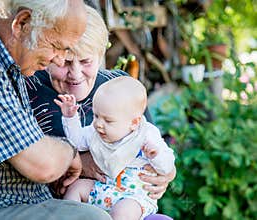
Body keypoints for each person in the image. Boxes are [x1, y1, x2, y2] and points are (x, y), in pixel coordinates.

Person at [0, 0, 113, 219]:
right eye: (56, 46)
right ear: (22, 23)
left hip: (21, 200)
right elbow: (42, 164)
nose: (57, 60)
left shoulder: (6, 54)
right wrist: (71, 154)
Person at [26, 4, 176, 199]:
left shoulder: (119, 86)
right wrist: (80, 162)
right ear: (52, 53)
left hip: (122, 199)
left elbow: (152, 141)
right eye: (66, 62)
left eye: (86, 61)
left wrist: (167, 174)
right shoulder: (30, 86)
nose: (75, 74)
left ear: (100, 56)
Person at [55, 76, 175, 220]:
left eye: (108, 120)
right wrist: (70, 118)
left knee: (122, 212)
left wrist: (156, 155)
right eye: (96, 115)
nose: (99, 124)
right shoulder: (96, 132)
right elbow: (77, 141)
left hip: (134, 197)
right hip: (104, 188)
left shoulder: (146, 135)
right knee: (76, 188)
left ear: (134, 122)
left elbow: (167, 167)